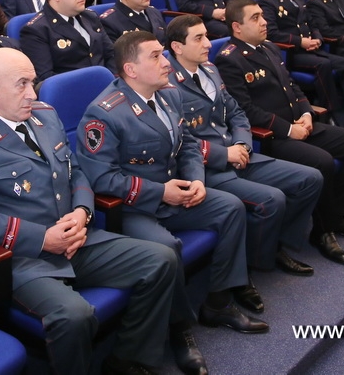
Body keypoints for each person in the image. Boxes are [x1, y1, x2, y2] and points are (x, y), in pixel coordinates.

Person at [0, 48, 177, 375]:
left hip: (76, 239)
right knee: (74, 315)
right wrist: (42, 238)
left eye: (32, 82)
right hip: (22, 256)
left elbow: (75, 172)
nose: (32, 94)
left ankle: (127, 359)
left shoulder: (45, 115)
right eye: (21, 84)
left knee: (162, 260)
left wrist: (82, 212)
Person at [77, 32, 268, 374]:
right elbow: (102, 179)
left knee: (230, 208)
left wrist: (196, 178)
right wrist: (161, 192)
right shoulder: (103, 114)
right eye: (155, 56)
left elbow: (188, 145)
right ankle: (179, 328)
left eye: (163, 53)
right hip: (134, 206)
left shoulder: (169, 94)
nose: (166, 62)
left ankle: (219, 302)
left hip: (177, 191)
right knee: (167, 248)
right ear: (131, 69)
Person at [214, 0, 344, 266]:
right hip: (271, 136)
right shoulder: (230, 59)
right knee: (322, 161)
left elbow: (293, 87)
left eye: (262, 16)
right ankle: (323, 232)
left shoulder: (269, 47)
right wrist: (288, 129)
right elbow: (245, 110)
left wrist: (307, 113)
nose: (264, 22)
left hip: (299, 123)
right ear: (237, 27)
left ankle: (337, 216)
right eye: (255, 18)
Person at [166, 15, 322, 277]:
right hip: (206, 167)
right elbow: (179, 140)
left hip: (238, 153)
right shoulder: (166, 83)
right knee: (272, 199)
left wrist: (242, 144)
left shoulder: (210, 69)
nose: (208, 44)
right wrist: (224, 153)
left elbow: (237, 113)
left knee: (310, 179)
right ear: (177, 47)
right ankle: (258, 260)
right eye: (199, 38)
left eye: (206, 36)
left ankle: (272, 243)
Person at [259, 0, 344, 119]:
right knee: (324, 65)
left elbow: (311, 23)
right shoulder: (267, 2)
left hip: (311, 48)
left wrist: (317, 38)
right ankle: (330, 114)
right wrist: (300, 42)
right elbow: (272, 34)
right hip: (291, 53)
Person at [18, 0, 114, 81]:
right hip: (73, 89)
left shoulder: (90, 17)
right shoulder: (37, 30)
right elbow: (46, 78)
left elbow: (111, 54)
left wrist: (111, 81)